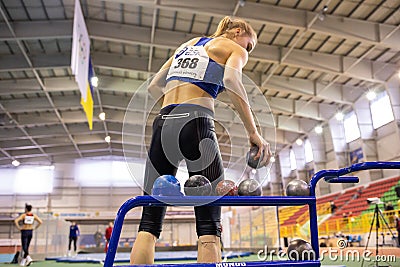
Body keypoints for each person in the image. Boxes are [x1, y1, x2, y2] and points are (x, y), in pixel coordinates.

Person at [130, 16, 272, 264]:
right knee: (209, 222)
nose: (247, 51)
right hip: (196, 123)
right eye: (249, 45)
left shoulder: (188, 45)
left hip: (163, 122)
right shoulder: (235, 49)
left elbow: (154, 85)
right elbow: (231, 80)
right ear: (238, 32)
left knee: (149, 221)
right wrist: (253, 131)